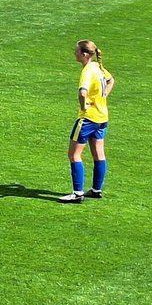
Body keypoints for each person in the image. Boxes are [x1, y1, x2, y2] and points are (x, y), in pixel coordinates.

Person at [60, 40, 114, 203]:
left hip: (88, 119)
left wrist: (84, 106)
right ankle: (96, 190)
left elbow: (82, 93)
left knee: (74, 155)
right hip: (102, 118)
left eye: (76, 51)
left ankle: (77, 193)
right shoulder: (98, 67)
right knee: (99, 154)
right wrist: (101, 98)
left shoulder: (87, 71)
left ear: (84, 54)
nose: (74, 53)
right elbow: (111, 81)